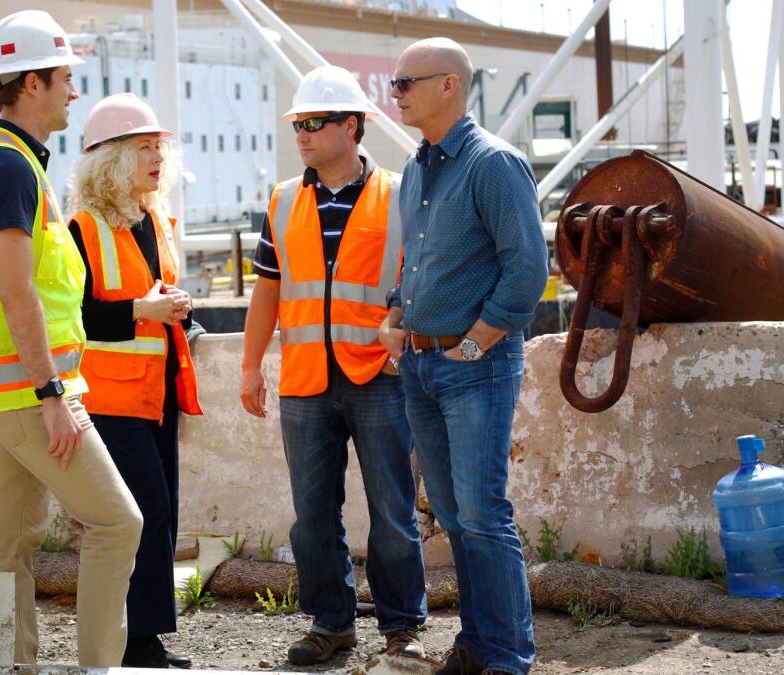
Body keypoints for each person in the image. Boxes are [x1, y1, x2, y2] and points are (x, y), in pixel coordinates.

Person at [0, 10, 143, 667]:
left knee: (8, 548)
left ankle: (3, 665)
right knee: (118, 522)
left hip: (6, 395)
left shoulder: (3, 162)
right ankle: (98, 666)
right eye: (64, 78)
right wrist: (53, 393)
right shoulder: (7, 170)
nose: (73, 91)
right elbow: (17, 292)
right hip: (33, 395)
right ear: (29, 84)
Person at [240, 65, 427, 666]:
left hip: (379, 376)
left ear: (351, 127)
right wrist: (250, 368)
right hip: (304, 382)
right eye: (298, 123)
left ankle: (402, 627)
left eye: (315, 123)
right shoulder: (284, 200)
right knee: (311, 517)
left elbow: (418, 282)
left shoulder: (401, 196)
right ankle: (331, 624)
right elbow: (267, 291)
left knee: (393, 512)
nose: (303, 132)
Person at [380, 38, 548, 675]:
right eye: (395, 84)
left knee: (481, 511)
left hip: (473, 366)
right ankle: (479, 644)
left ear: (447, 85)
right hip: (422, 367)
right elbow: (421, 261)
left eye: (405, 82)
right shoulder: (421, 166)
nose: (395, 93)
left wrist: (476, 343)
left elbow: (528, 268)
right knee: (453, 513)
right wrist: (398, 313)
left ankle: (506, 656)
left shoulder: (494, 164)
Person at [66, 93, 203, 669]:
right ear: (111, 159)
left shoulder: (155, 221)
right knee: (137, 516)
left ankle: (145, 637)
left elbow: (157, 302)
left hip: (158, 393)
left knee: (161, 512)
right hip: (112, 398)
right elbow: (75, 318)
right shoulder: (83, 228)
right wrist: (143, 312)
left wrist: (180, 307)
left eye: (158, 147)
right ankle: (134, 643)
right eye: (143, 147)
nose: (156, 158)